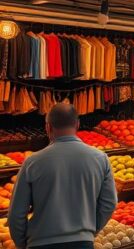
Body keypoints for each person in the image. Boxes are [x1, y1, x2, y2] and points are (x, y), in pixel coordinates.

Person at [9, 103, 117, 249]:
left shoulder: (32, 162)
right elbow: (109, 204)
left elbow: (16, 214)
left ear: (48, 127)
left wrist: (22, 244)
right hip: (83, 243)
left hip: (40, 243)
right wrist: (88, 231)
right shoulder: (100, 158)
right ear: (77, 124)